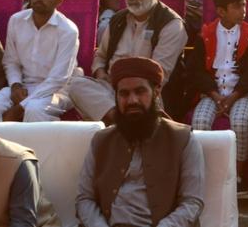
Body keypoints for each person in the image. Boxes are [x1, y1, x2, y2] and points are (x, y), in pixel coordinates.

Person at [75, 57, 204, 227]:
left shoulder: (183, 139)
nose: (132, 100)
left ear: (156, 92)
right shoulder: (101, 140)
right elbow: (85, 199)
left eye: (140, 91)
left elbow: (192, 202)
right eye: (124, 94)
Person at [70, 0, 188, 123]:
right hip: (111, 88)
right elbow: (100, 55)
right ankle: (123, 121)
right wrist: (100, 72)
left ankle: (118, 123)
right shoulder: (117, 20)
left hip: (146, 91)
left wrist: (127, 84)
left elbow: (160, 74)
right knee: (75, 85)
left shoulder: (171, 24)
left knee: (146, 97)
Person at [0, 0, 78, 122]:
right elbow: (11, 61)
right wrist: (15, 85)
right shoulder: (16, 20)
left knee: (34, 110)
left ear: (59, 1)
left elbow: (59, 79)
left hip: (57, 91)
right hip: (24, 86)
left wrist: (20, 107)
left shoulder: (68, 30)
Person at [186, 0, 248, 180]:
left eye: (244, 5)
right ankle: (206, 173)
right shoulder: (205, 35)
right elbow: (196, 70)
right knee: (200, 122)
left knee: (240, 123)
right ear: (221, 11)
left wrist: (234, 95)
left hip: (241, 93)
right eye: (236, 6)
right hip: (212, 93)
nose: (243, 10)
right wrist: (214, 94)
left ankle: (238, 174)